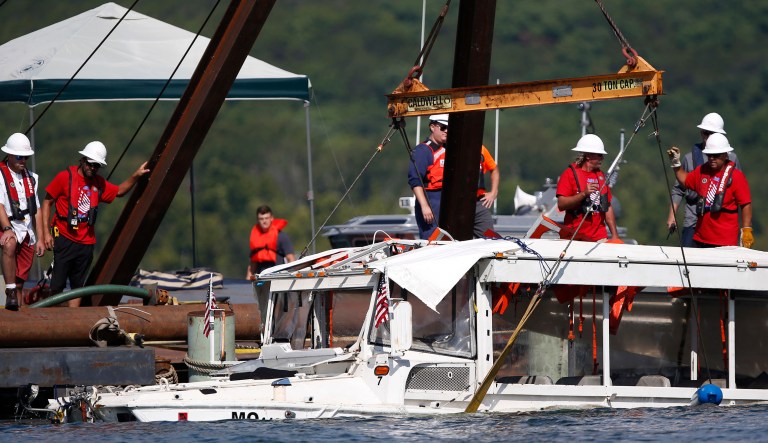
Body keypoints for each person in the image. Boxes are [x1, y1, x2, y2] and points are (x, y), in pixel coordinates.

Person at [41, 141, 150, 307]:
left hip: (86, 244)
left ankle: (73, 323)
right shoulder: (65, 178)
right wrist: (46, 234)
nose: (93, 168)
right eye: (91, 164)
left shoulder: (98, 183)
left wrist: (136, 175)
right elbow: (47, 202)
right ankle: (53, 321)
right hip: (64, 238)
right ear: (83, 160)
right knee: (57, 285)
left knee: (78, 286)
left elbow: (119, 191)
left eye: (97, 166)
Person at [667, 113, 740, 247]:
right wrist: (672, 216)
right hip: (693, 219)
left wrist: (746, 227)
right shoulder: (689, 159)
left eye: (710, 133)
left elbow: (740, 192)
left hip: (720, 223)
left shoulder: (731, 159)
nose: (706, 137)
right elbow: (679, 189)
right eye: (704, 133)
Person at [0, 133, 44, 310]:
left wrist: (40, 237)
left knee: (21, 282)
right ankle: (9, 291)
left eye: (25, 157)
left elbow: (37, 210)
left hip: (27, 229)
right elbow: (0, 205)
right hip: (7, 224)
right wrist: (7, 228)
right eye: (19, 156)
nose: (23, 160)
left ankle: (16, 309)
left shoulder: (32, 178)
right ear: (9, 155)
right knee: (9, 244)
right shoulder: (1, 176)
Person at [555, 134, 619, 242]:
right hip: (574, 237)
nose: (602, 158)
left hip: (599, 237)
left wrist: (615, 236)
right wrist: (583, 194)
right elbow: (561, 204)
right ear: (588, 156)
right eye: (599, 155)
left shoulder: (601, 176)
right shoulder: (569, 174)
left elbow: (607, 207)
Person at [408, 114, 448, 239]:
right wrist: (425, 206)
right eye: (443, 127)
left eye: (449, 128)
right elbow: (415, 181)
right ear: (432, 127)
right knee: (432, 239)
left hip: (446, 199)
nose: (446, 131)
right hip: (431, 199)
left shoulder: (450, 149)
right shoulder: (423, 151)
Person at [246, 205, 295, 279]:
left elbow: (291, 259)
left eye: (266, 218)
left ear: (271, 218)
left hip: (278, 277)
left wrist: (291, 277)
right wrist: (247, 281)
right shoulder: (255, 237)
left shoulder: (281, 236)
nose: (264, 221)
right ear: (258, 220)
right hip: (261, 278)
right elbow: (253, 263)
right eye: (261, 219)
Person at [474, 144, 499, 237]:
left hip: (479, 202)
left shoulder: (481, 149)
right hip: (456, 203)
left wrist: (494, 192)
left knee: (489, 238)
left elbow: (494, 169)